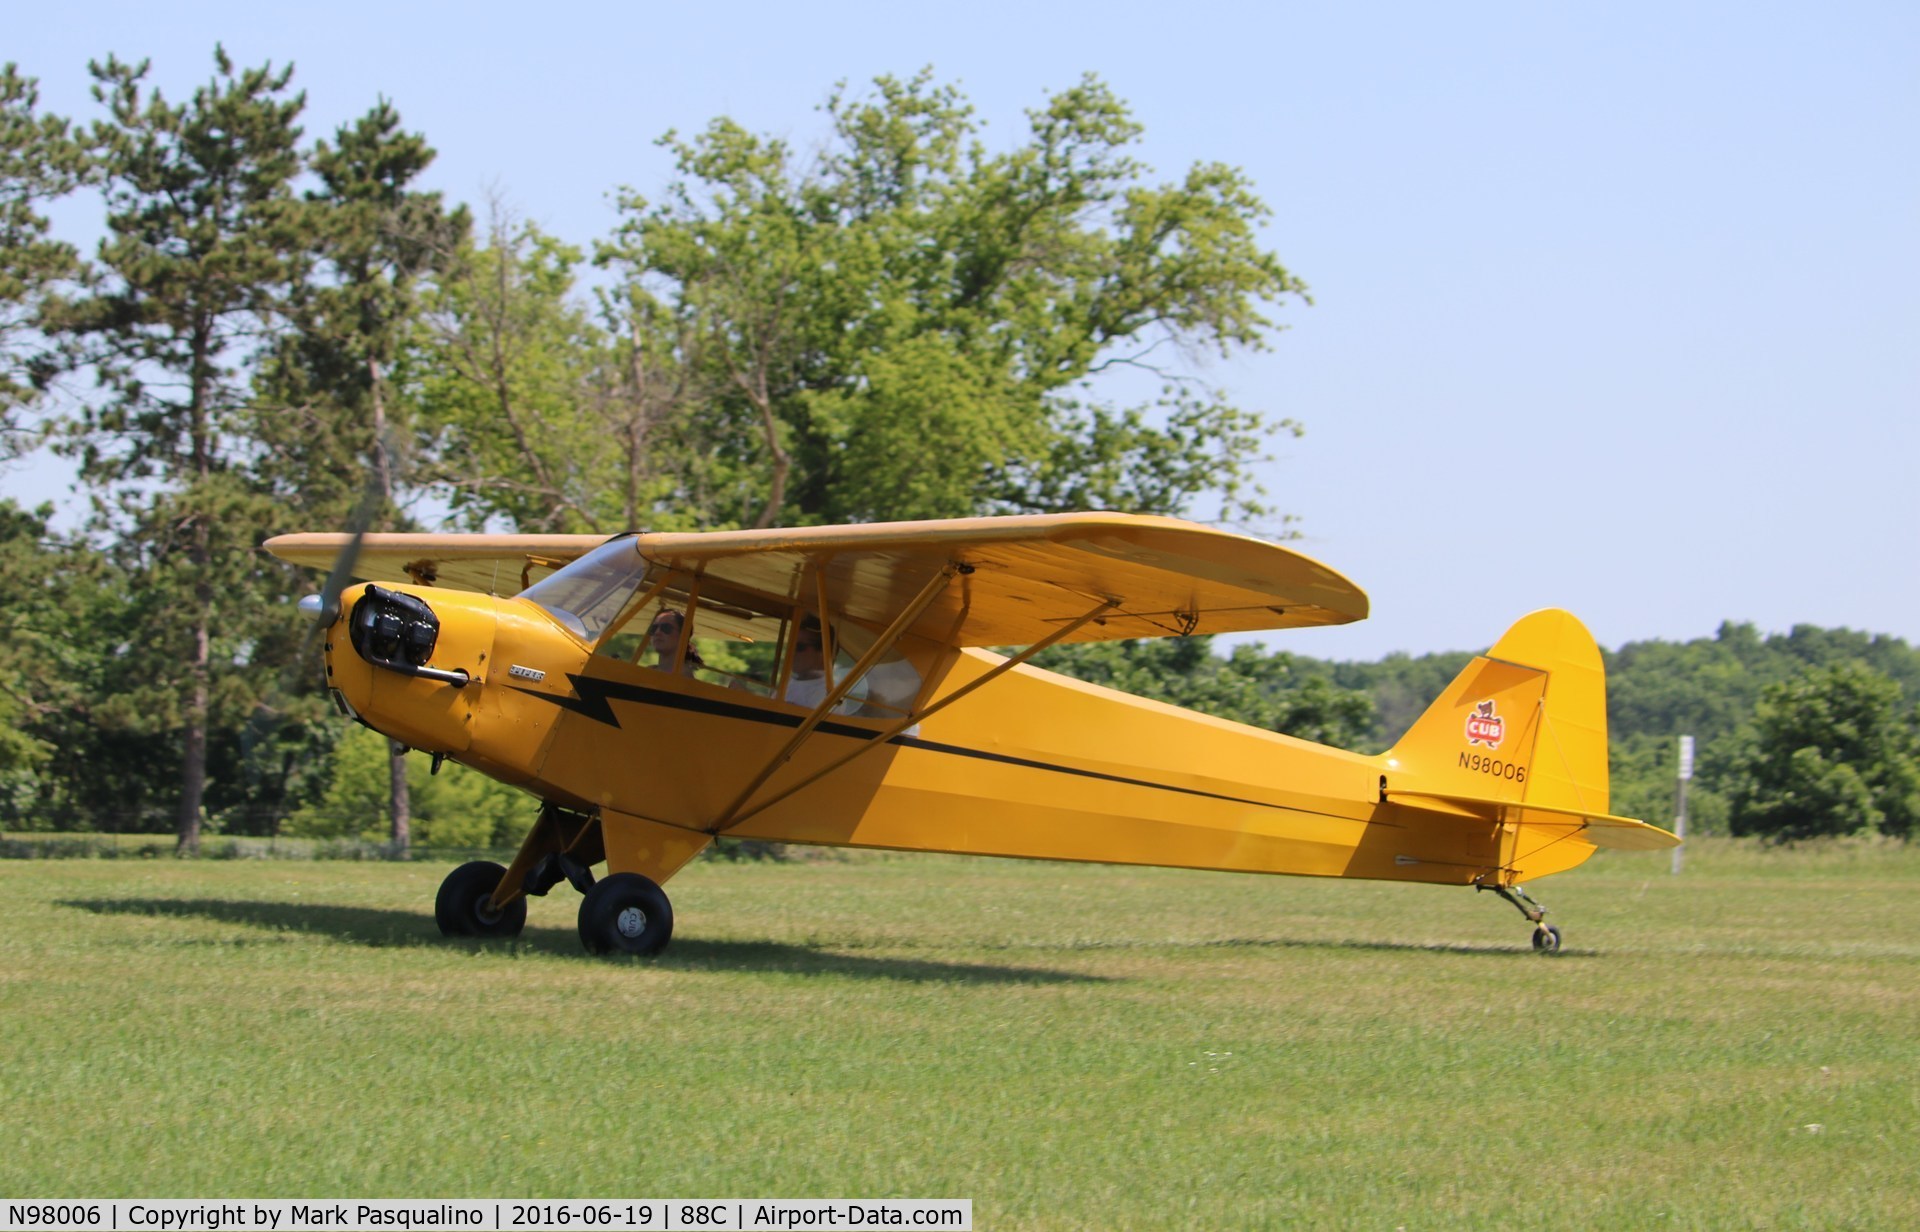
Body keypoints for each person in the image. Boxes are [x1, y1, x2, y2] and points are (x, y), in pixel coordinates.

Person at [645, 610, 704, 677]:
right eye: (654, 628)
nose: (657, 632)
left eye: (666, 628)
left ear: (683, 635)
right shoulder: (647, 672)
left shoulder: (685, 678)